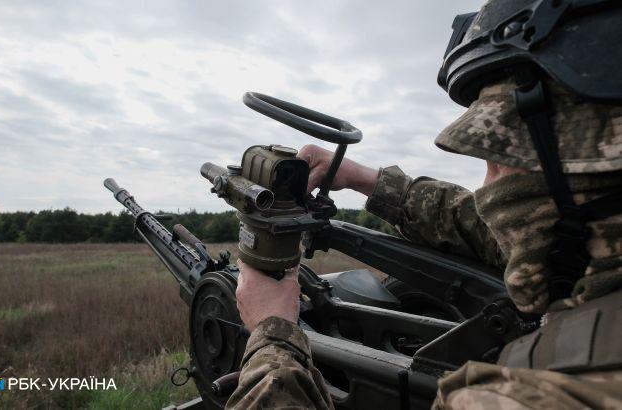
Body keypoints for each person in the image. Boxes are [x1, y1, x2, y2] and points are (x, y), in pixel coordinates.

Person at [226, 0, 622, 408]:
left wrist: (272, 336)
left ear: (582, 171)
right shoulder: (593, 244)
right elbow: (482, 226)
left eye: (501, 159)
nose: (488, 184)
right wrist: (366, 180)